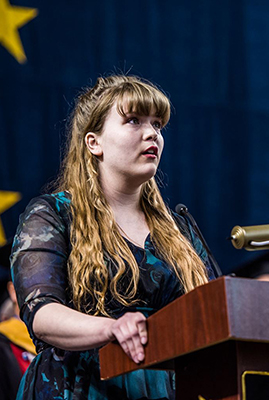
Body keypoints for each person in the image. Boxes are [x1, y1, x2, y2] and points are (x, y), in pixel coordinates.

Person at [11, 75, 215, 399]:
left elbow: (215, 312)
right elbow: (42, 314)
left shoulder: (180, 228)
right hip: (77, 388)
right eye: (133, 120)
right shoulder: (53, 215)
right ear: (94, 142)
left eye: (158, 124)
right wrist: (110, 328)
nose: (152, 134)